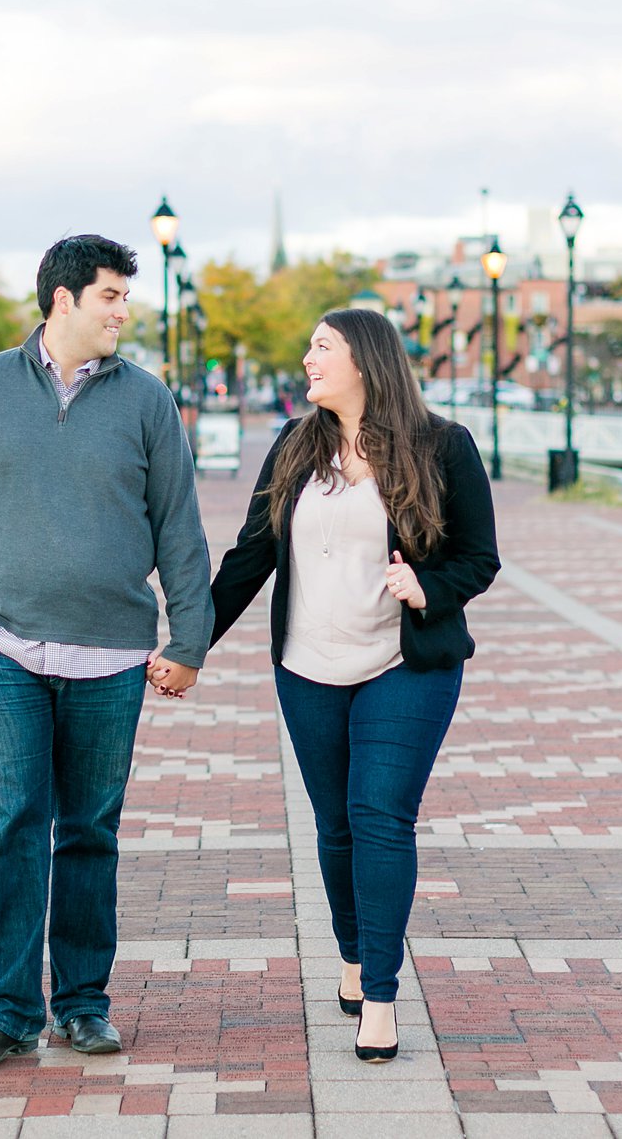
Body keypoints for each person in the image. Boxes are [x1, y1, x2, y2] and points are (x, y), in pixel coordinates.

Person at [154, 307, 498, 1063]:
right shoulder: (293, 446)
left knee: (379, 814)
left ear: (367, 361)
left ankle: (380, 995)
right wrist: (189, 646)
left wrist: (428, 586)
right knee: (335, 825)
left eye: (322, 346)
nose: (307, 358)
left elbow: (480, 557)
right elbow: (250, 560)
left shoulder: (444, 446)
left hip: (405, 665)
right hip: (307, 667)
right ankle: (351, 952)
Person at [0, 234, 212, 1065]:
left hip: (112, 655)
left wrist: (190, 638)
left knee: (88, 831)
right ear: (62, 300)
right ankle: (6, 1010)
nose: (124, 309)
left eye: (125, 295)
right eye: (111, 294)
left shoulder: (147, 400)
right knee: (7, 825)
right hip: (0, 647)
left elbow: (179, 528)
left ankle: (82, 1003)